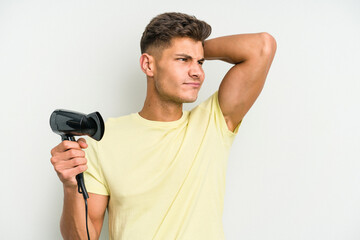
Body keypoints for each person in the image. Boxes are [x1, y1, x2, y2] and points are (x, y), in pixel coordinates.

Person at [50, 12, 276, 240]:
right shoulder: (103, 138)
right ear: (148, 64)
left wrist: (194, 48)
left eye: (200, 62)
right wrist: (70, 187)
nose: (197, 71)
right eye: (183, 59)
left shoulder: (213, 123)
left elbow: (262, 46)